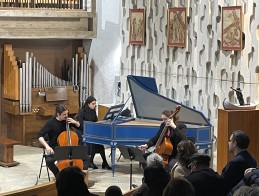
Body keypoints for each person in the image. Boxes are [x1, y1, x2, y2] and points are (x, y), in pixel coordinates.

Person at [38, 104, 81, 177]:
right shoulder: (51, 123)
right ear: (58, 114)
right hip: (55, 148)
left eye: (67, 113)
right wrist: (47, 147)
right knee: (49, 161)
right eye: (64, 114)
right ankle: (58, 175)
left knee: (85, 157)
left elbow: (79, 126)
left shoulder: (67, 120)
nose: (66, 116)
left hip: (69, 148)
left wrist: (75, 122)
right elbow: (40, 136)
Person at [76, 96, 111, 170]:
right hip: (84, 132)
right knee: (92, 143)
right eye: (93, 104)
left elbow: (95, 122)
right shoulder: (82, 112)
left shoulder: (93, 111)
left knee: (100, 144)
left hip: (91, 132)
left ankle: (104, 162)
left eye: (95, 104)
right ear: (88, 104)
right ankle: (90, 161)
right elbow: (81, 125)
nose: (94, 105)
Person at [221, 130, 257, 194]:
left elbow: (223, 183)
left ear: (235, 143)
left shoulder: (234, 163)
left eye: (230, 140)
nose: (228, 143)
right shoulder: (252, 159)